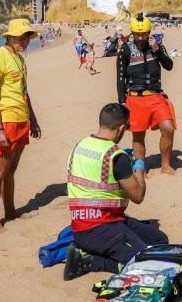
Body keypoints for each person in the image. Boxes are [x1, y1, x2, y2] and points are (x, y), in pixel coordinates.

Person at [63, 103, 169, 280]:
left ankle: (92, 251)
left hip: (85, 223)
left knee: (159, 240)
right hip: (101, 228)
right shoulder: (115, 156)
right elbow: (138, 196)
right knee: (146, 265)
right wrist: (139, 168)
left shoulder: (80, 145)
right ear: (121, 127)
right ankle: (90, 260)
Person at [0, 19, 42, 232]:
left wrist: (32, 119)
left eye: (27, 37)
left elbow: (24, 92)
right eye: (20, 37)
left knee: (11, 170)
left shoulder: (19, 58)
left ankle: (10, 211)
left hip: (21, 119)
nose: (24, 41)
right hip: (6, 121)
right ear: (9, 36)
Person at [117, 13, 177, 175]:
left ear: (149, 32)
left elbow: (169, 66)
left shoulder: (157, 46)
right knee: (138, 135)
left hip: (156, 96)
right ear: (132, 33)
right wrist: (122, 100)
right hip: (135, 98)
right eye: (138, 34)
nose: (141, 38)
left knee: (168, 128)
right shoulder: (125, 49)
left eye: (144, 34)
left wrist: (158, 50)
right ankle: (140, 169)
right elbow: (120, 77)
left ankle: (165, 165)